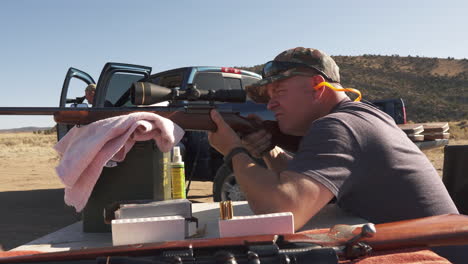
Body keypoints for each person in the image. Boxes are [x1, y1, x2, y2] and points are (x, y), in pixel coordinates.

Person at [207, 47, 462, 260]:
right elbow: (307, 191)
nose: (271, 104)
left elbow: (283, 212)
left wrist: (233, 150)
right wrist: (269, 151)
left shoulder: (338, 125)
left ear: (318, 87)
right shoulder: (360, 116)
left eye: (279, 91)